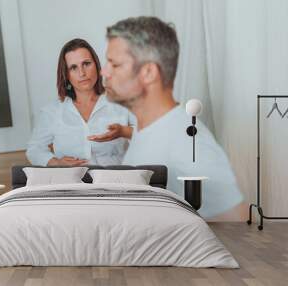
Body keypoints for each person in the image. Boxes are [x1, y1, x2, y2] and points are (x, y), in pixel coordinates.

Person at [92, 16, 244, 218]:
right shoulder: (147, 124)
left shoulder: (190, 145)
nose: (104, 71)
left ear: (148, 72)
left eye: (115, 64)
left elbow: (238, 224)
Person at [26, 38, 133, 166]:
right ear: (66, 74)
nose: (82, 73)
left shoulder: (122, 100)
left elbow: (148, 134)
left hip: (116, 180)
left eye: (86, 64)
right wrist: (55, 162)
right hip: (72, 182)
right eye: (73, 67)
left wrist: (123, 131)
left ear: (97, 65)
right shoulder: (52, 111)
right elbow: (34, 149)